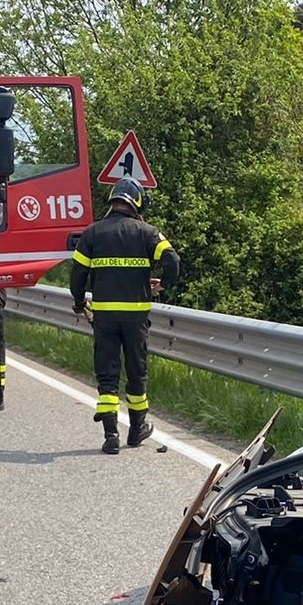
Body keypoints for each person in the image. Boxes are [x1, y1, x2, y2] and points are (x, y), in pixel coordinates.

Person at [69, 178, 180, 454]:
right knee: (136, 373)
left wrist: (79, 301)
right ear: (138, 202)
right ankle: (137, 429)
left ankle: (110, 436)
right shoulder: (147, 232)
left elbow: (77, 275)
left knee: (107, 375)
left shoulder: (92, 233)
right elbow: (173, 261)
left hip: (104, 317)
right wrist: (163, 283)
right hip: (136, 319)